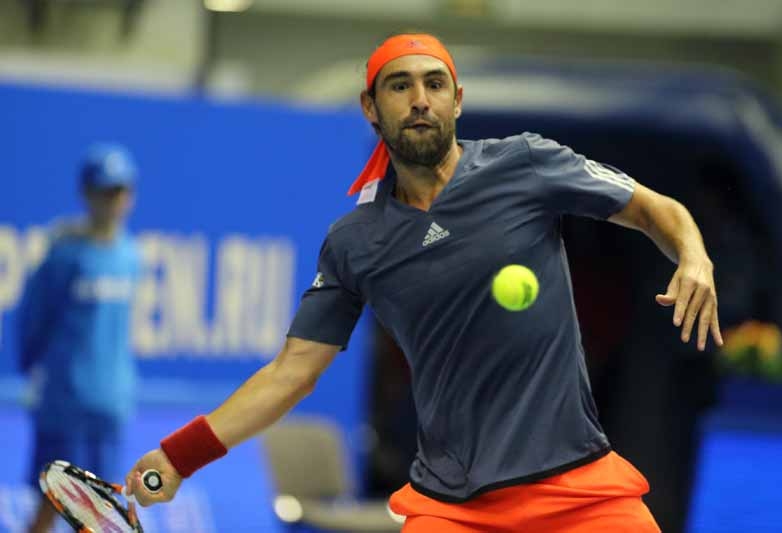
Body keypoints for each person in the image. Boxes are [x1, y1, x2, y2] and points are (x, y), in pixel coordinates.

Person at [126, 34, 722, 532]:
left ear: (456, 100)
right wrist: (178, 457)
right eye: (400, 85)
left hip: (579, 492)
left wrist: (693, 257)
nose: (419, 100)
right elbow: (291, 374)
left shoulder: (526, 163)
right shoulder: (355, 242)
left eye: (435, 84)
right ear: (370, 106)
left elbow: (652, 209)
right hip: (453, 509)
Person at [19, 143, 141, 533]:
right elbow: (33, 321)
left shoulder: (131, 256)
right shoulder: (63, 257)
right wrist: (35, 371)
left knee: (100, 509)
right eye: (105, 191)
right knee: (51, 502)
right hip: (65, 402)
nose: (113, 201)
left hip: (110, 404)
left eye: (120, 191)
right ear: (87, 194)